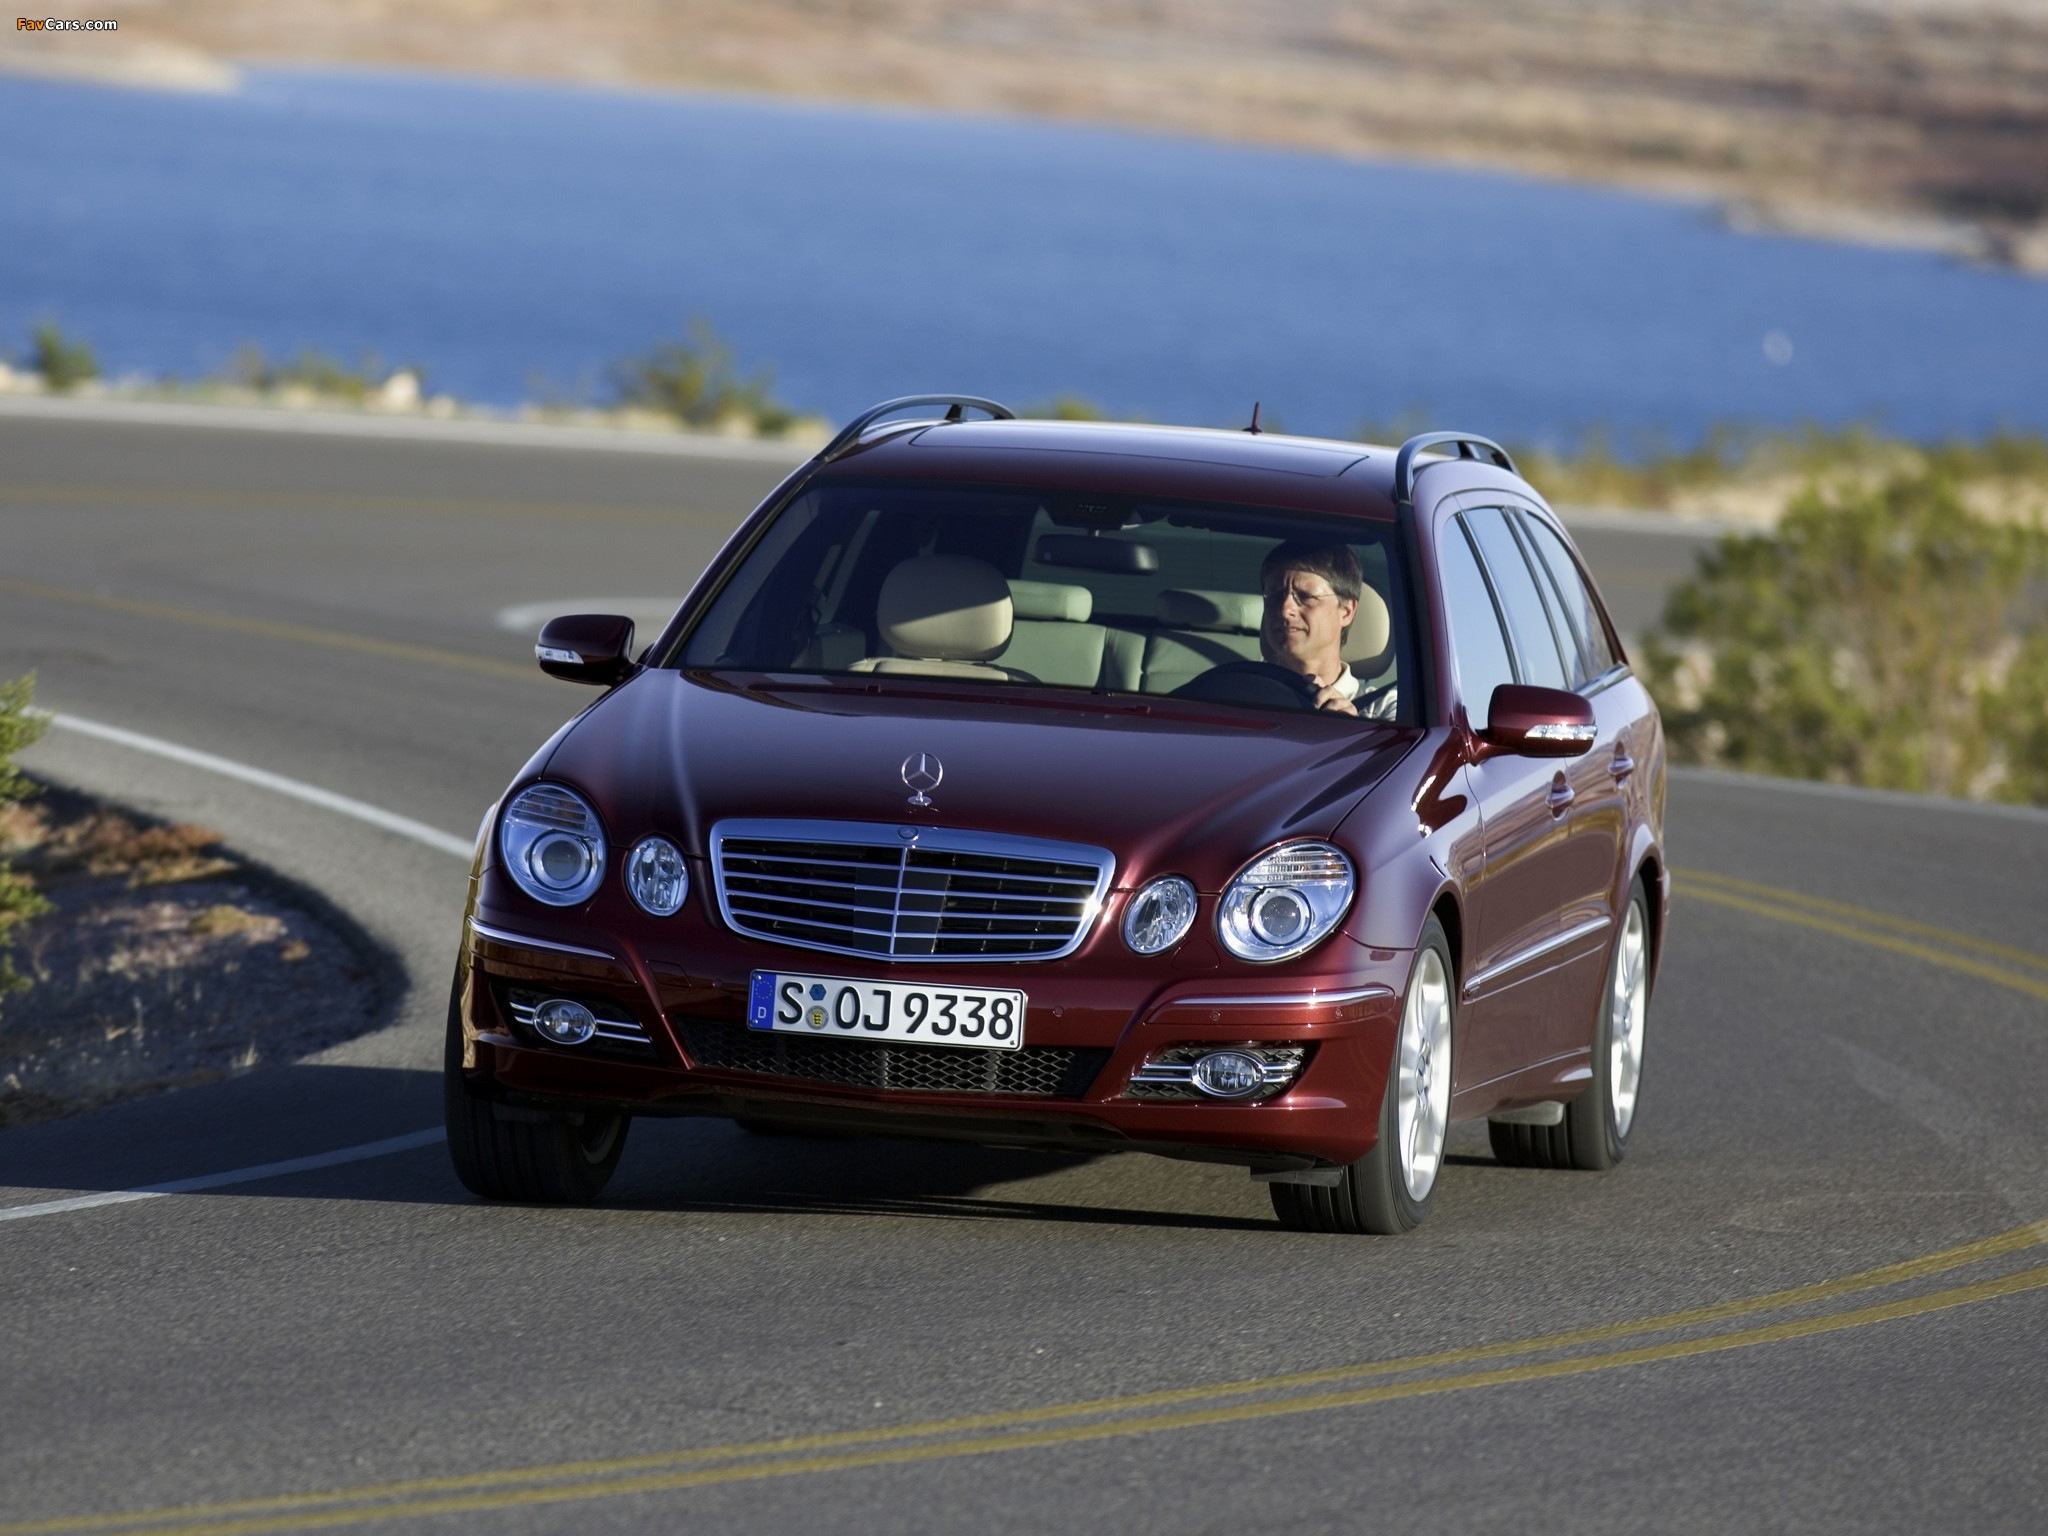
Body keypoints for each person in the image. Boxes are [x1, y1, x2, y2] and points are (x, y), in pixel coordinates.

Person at [1258, 540, 1394, 718]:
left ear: (1346, 611)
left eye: (1305, 596)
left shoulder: (1386, 711)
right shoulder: (1238, 694)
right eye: (1275, 595)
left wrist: (1351, 729)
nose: (1285, 609)